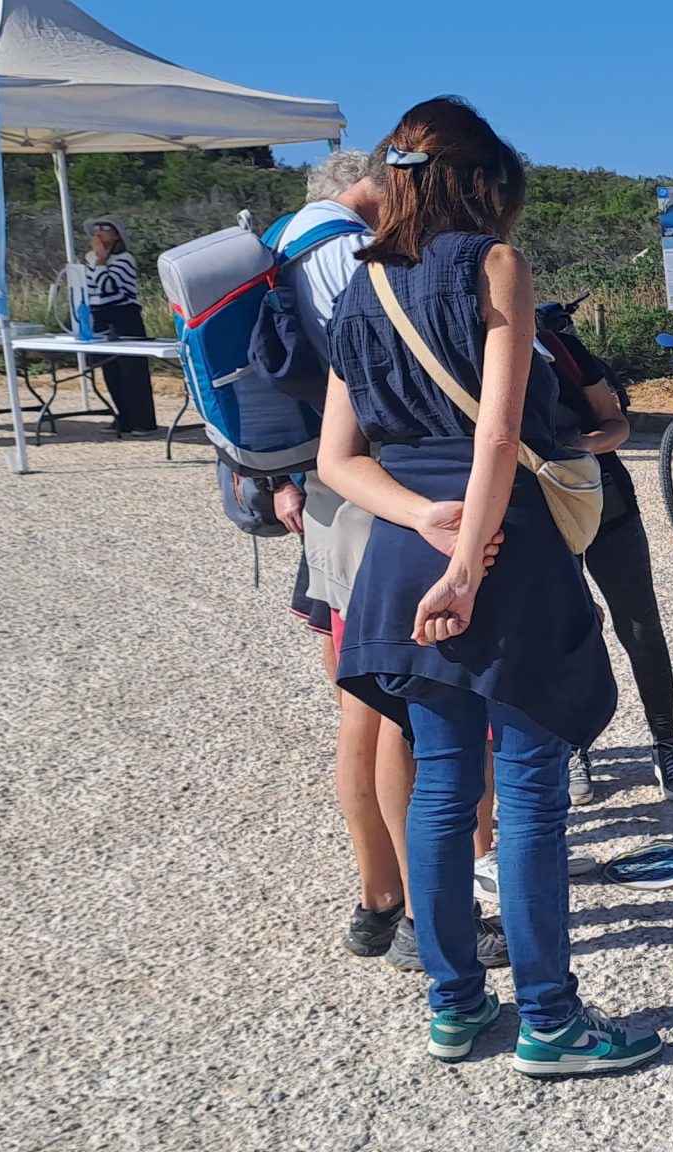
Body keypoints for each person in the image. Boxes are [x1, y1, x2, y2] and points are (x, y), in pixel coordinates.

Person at [318, 96, 660, 1076]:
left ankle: (453, 1004)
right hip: (500, 546)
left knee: (436, 784)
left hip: (403, 548)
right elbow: (501, 435)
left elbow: (337, 459)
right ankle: (550, 1020)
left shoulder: (361, 289)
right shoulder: (495, 269)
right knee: (530, 786)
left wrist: (420, 523)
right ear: (478, 183)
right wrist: (467, 562)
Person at [273, 150, 512, 971]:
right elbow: (389, 371)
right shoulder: (349, 250)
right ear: (382, 185)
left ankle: (380, 902)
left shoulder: (289, 240)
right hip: (381, 499)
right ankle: (421, 908)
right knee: (404, 709)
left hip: (335, 493)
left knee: (364, 705)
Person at [540, 308, 673, 803]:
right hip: (535, 519)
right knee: (565, 631)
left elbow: (616, 425)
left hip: (604, 502)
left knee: (640, 625)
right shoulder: (469, 351)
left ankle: (665, 741)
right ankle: (574, 745)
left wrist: (577, 447)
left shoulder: (560, 348)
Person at [81, 218, 158, 434]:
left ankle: (143, 420)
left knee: (132, 371)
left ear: (116, 236)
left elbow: (108, 287)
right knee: (110, 371)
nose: (98, 233)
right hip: (100, 317)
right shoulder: (89, 259)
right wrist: (97, 261)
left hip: (124, 317)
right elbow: (90, 288)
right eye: (96, 230)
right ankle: (123, 416)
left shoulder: (125, 260)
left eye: (105, 229)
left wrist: (102, 261)